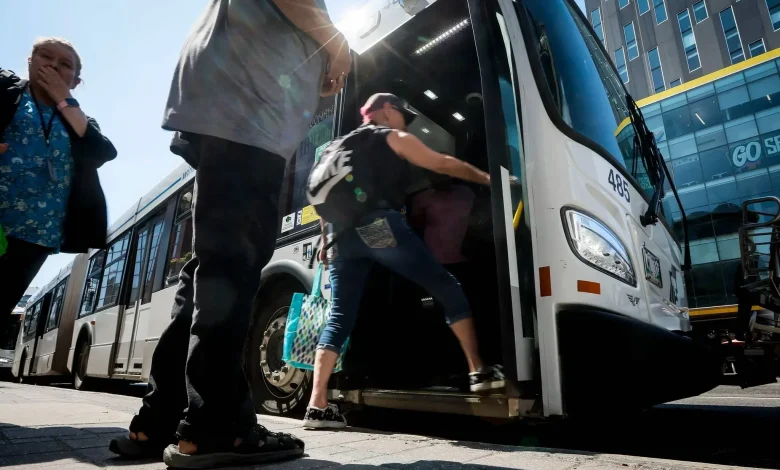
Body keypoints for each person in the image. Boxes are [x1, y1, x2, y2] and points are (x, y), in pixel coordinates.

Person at [108, 0, 351, 468]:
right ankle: (218, 427)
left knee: (209, 271)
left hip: (232, 107)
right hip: (249, 112)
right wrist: (337, 46)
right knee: (231, 267)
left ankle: (162, 418)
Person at [302, 93, 505, 429]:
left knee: (340, 316)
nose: (404, 123)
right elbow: (440, 163)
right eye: (401, 115)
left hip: (340, 238)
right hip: (377, 226)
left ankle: (317, 406)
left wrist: (325, 243)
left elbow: (326, 204)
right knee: (443, 284)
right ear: (386, 111)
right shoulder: (389, 137)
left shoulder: (332, 149)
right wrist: (490, 179)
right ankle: (478, 371)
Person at [0, 38, 116, 320]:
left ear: (75, 81)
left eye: (65, 65)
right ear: (29, 62)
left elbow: (102, 151)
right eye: (45, 56)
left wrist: (63, 100)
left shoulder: (78, 120)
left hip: (37, 235)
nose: (52, 65)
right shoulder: (4, 90)